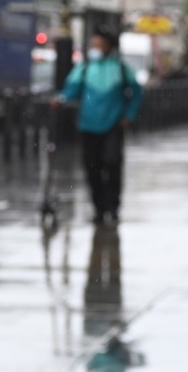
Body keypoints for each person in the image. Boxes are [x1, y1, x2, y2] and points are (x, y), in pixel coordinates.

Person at [56, 25, 143, 225]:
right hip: (88, 126)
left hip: (113, 126)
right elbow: (70, 91)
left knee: (112, 166)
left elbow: (136, 94)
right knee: (92, 168)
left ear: (108, 47)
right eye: (93, 44)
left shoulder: (121, 70)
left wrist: (128, 115)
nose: (94, 47)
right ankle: (99, 208)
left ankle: (113, 207)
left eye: (99, 44)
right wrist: (60, 99)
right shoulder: (85, 68)